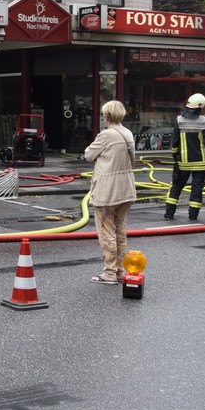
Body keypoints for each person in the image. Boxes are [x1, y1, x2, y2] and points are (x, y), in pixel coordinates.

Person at [83, 100, 137, 284]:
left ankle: (109, 272)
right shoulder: (127, 133)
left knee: (106, 230)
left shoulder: (106, 135)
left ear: (107, 116)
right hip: (126, 188)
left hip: (108, 190)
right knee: (120, 230)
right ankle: (121, 270)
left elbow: (89, 155)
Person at [163, 92, 205, 221]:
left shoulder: (179, 120)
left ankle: (169, 213)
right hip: (201, 164)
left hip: (183, 163)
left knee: (176, 186)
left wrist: (176, 157)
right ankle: (193, 216)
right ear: (200, 107)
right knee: (197, 189)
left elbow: (174, 143)